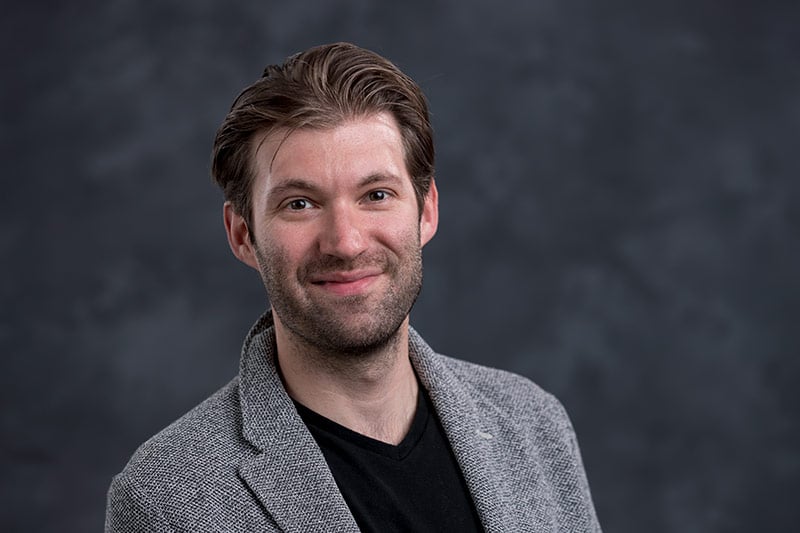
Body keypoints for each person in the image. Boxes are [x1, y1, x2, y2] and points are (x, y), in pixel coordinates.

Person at [105, 42, 601, 533]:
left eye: (376, 195)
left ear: (426, 211)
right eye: (300, 204)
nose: (345, 242)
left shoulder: (534, 425)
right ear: (243, 235)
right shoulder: (166, 500)